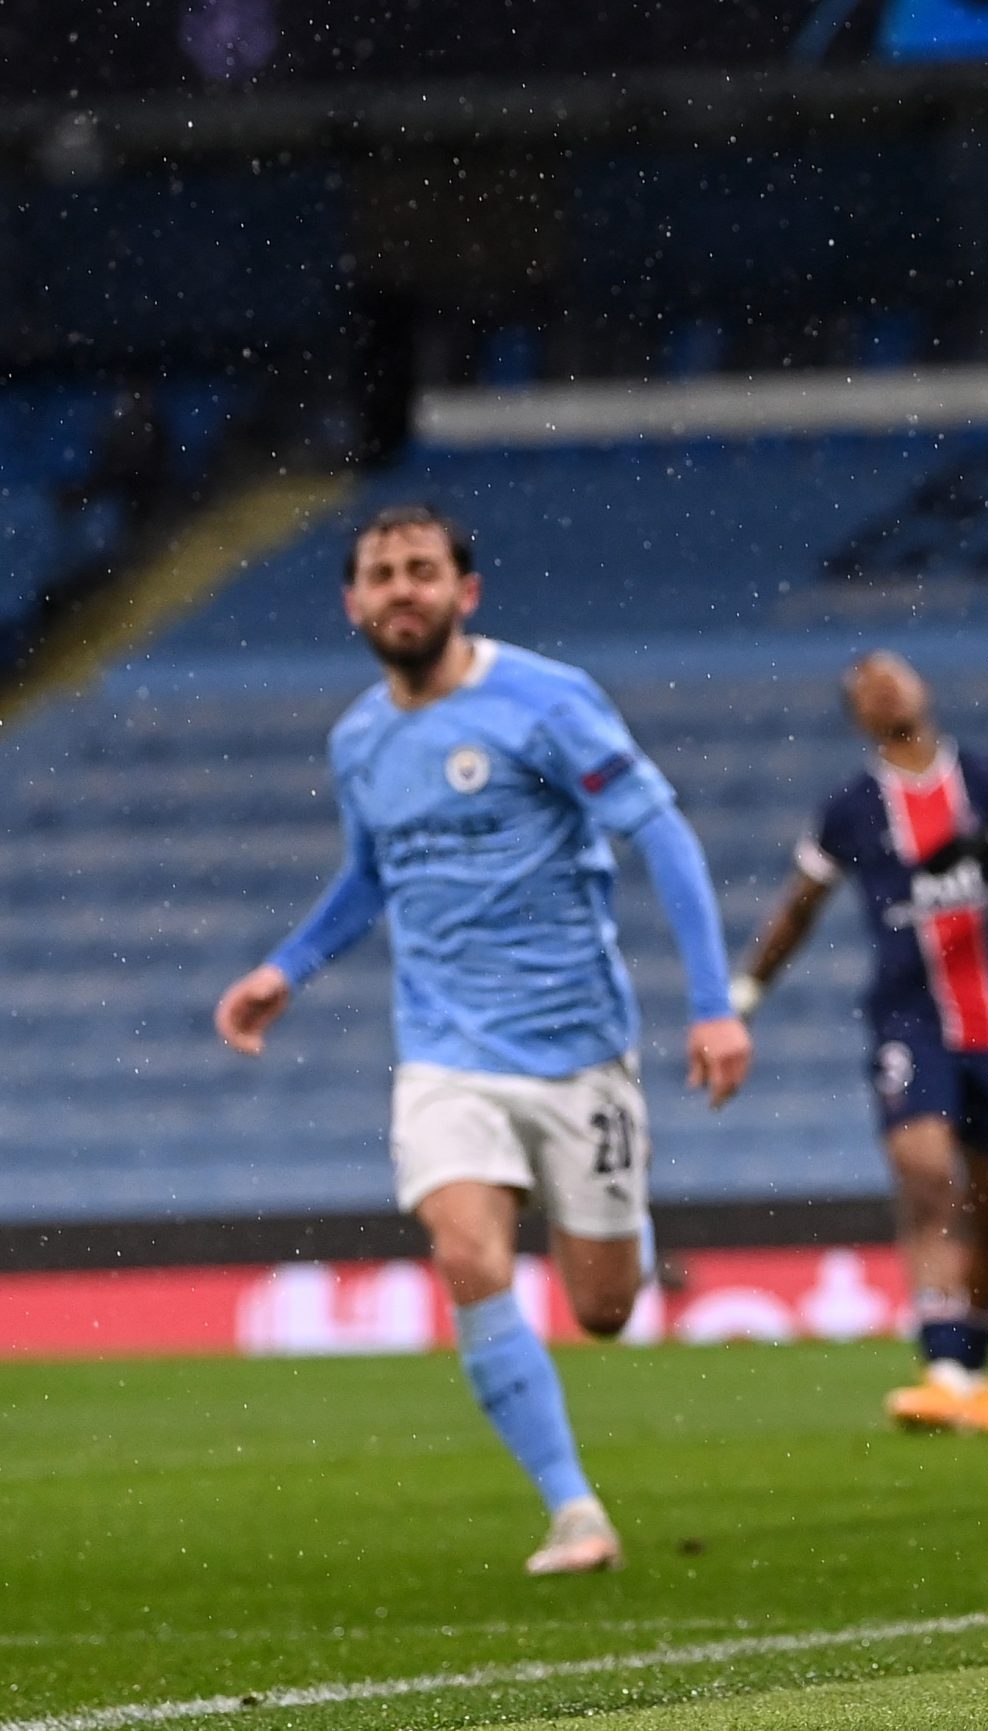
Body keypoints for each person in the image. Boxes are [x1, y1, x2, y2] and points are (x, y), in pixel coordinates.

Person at [213, 505, 751, 1575]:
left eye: (422, 570)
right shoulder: (359, 738)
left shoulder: (545, 702)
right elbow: (372, 872)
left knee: (602, 1309)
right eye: (381, 573)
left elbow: (661, 829)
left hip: (577, 1050)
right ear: (352, 603)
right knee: (466, 1254)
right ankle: (574, 1511)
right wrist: (287, 968)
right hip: (445, 1054)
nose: (401, 589)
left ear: (466, 592)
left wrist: (712, 1002)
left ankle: (628, 1235)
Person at [731, 650, 988, 1434]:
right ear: (859, 715)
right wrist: (744, 993)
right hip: (907, 1019)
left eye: (895, 673)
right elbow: (798, 906)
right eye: (865, 684)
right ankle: (942, 1363)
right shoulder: (851, 807)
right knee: (925, 1176)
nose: (884, 685)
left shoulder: (985, 779)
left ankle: (972, 1372)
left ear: (924, 686)